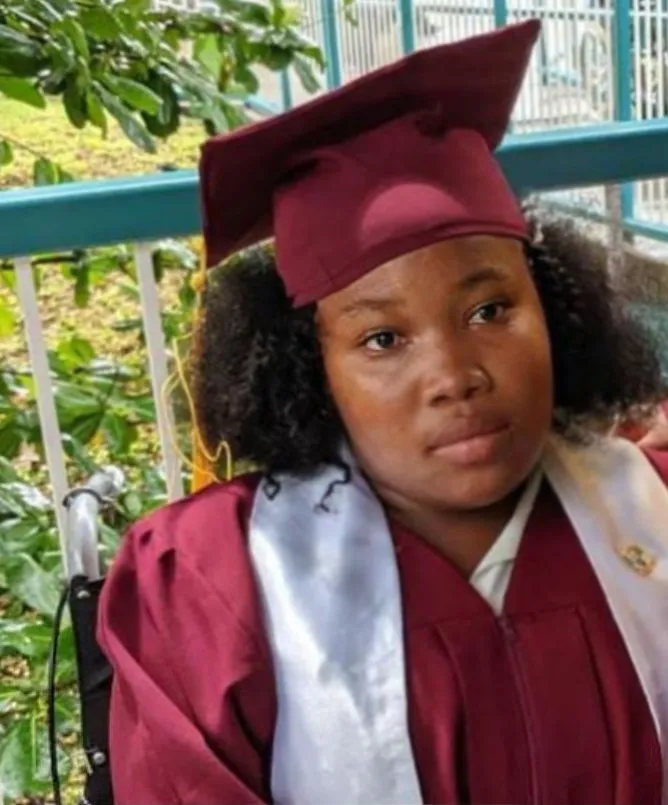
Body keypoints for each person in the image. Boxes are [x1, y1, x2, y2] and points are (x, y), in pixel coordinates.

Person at [98, 20, 668, 805]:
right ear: (313, 368)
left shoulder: (648, 504)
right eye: (383, 338)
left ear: (555, 311)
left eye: (490, 310)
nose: (455, 376)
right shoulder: (212, 586)